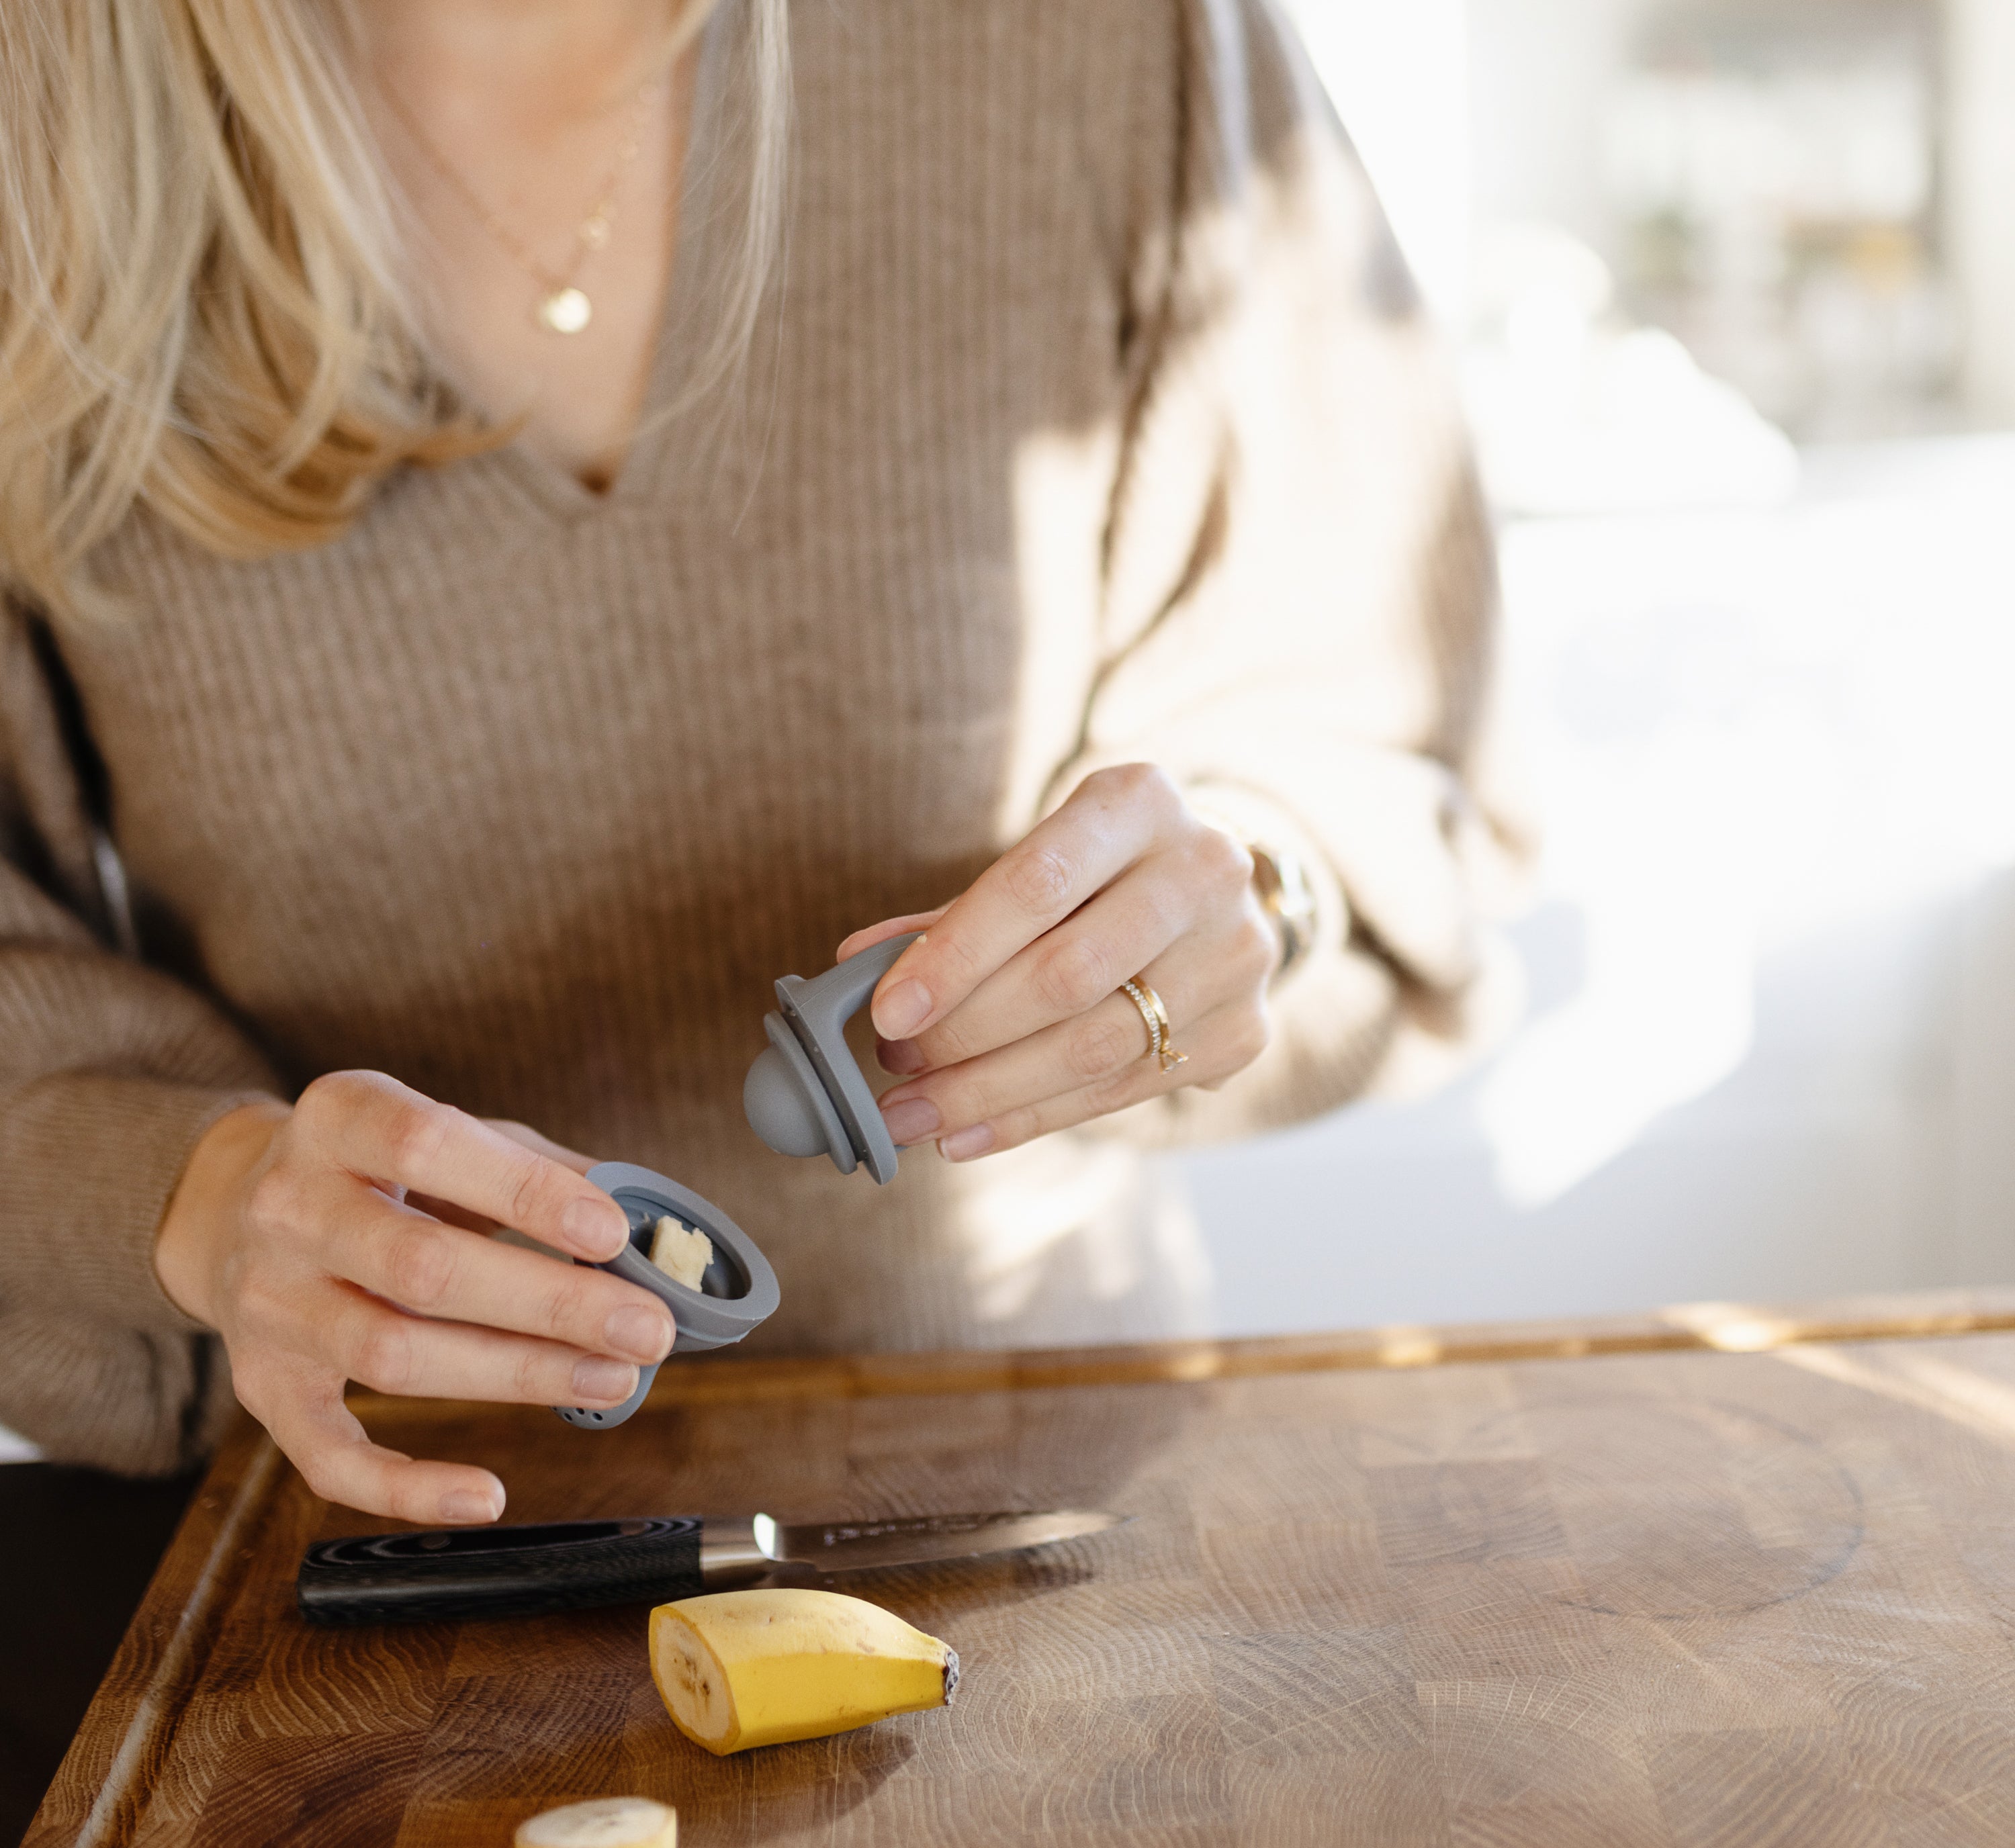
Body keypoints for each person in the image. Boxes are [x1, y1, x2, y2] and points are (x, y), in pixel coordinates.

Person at [0, 0, 1521, 1526]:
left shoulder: (1101, 41)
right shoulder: (37, 131)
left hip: (1023, 1522)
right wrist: (198, 1199)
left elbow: (1374, 760)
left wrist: (1240, 897)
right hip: (376, 1559)